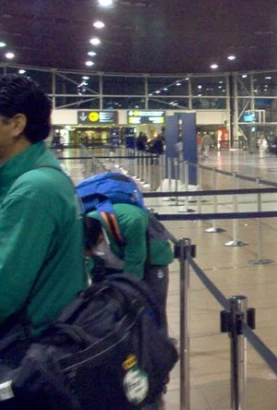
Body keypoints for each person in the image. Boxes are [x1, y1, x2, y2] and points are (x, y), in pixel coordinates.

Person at [0, 75, 86, 342]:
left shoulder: (34, 189)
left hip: (27, 347)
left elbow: (4, 291)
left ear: (16, 124)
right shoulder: (37, 170)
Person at [83, 202, 174, 331]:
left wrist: (128, 295)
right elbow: (92, 265)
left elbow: (135, 261)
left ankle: (158, 344)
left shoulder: (130, 221)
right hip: (116, 261)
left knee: (153, 306)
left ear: (99, 238)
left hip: (152, 260)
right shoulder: (86, 224)